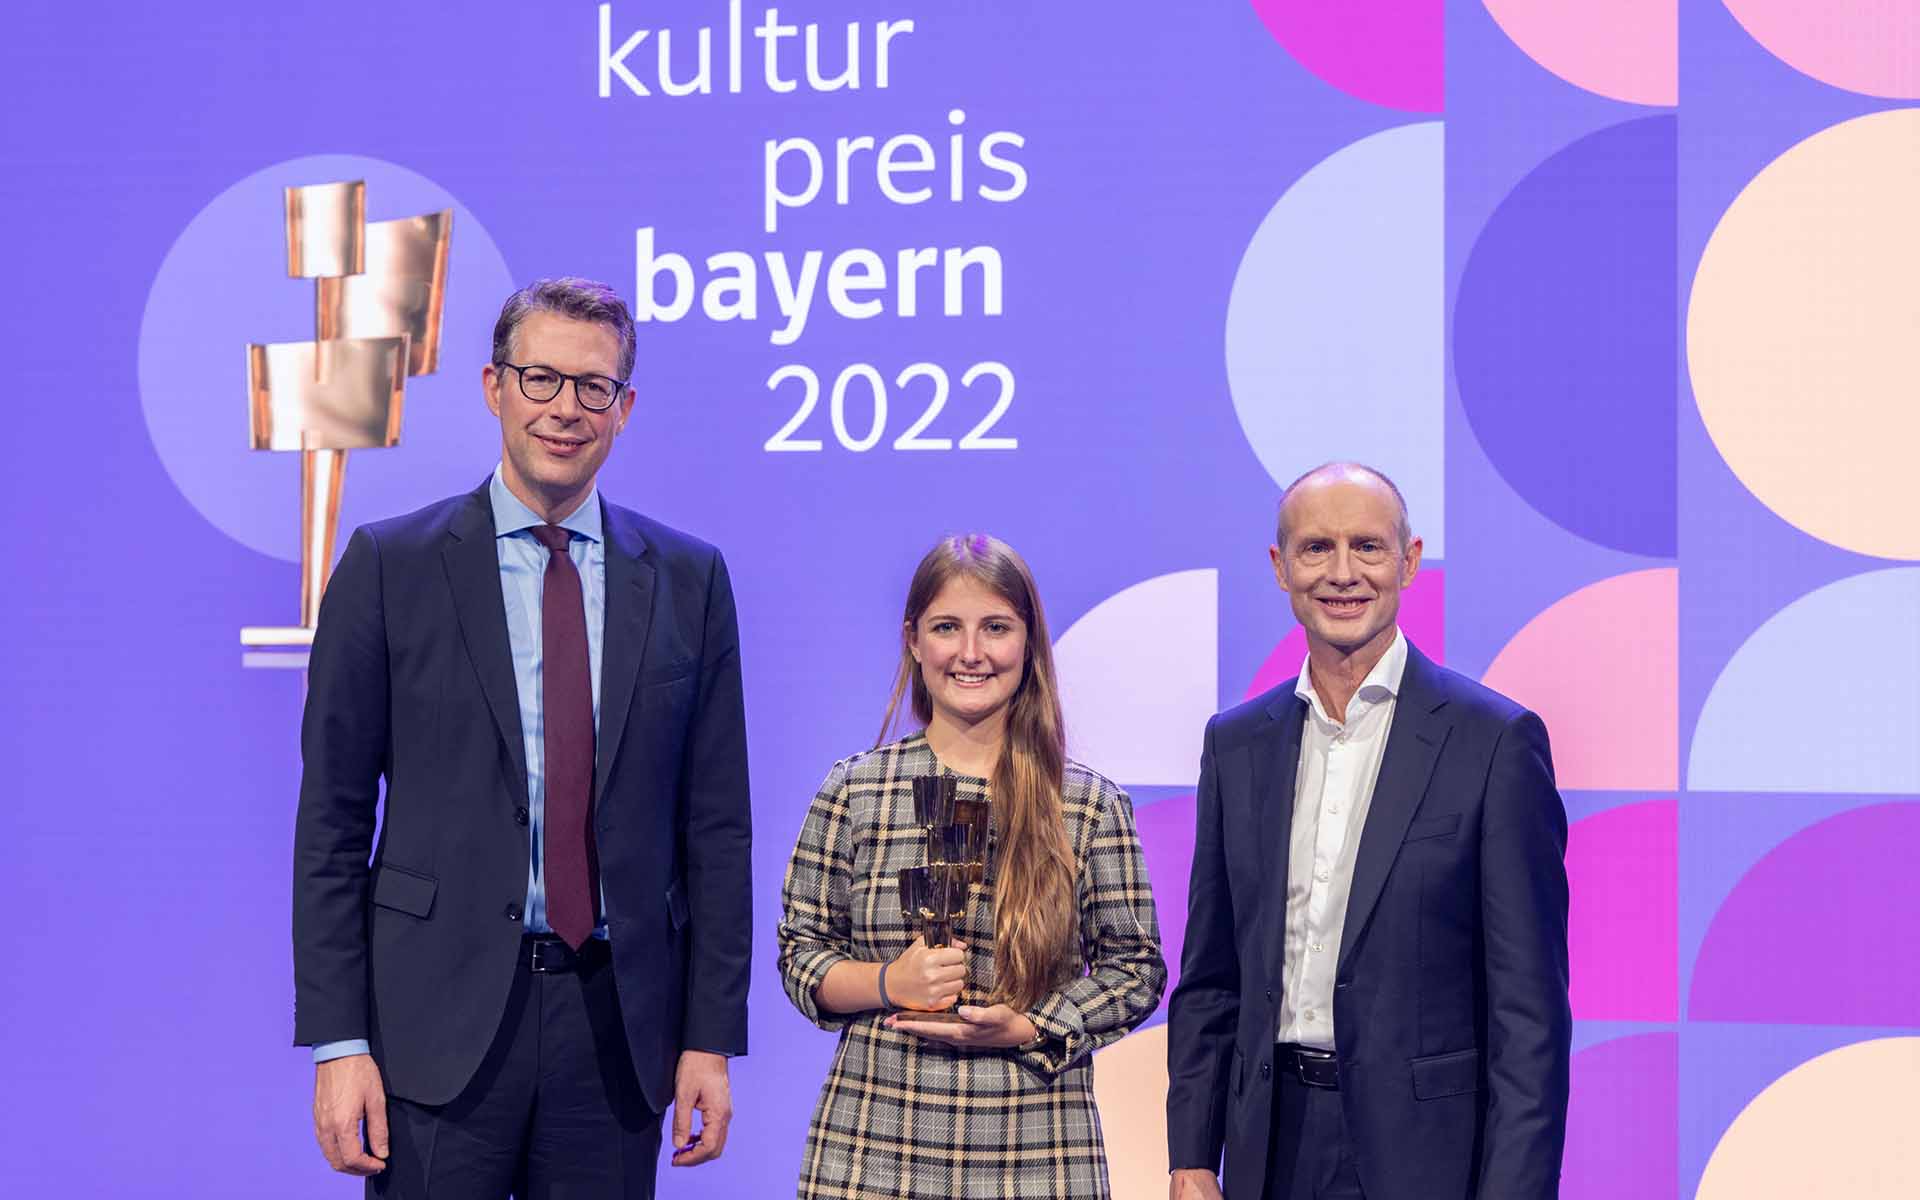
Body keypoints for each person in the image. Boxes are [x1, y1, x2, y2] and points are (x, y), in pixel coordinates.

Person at [292, 277, 752, 1199]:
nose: (565, 409)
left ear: (624, 409)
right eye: (540, 379)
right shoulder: (392, 565)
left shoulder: (690, 580)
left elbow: (716, 830)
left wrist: (709, 1037)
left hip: (616, 1033)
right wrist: (340, 1043)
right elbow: (333, 824)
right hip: (434, 1027)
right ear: (493, 386)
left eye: (593, 387)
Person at [1166, 463, 1570, 1200]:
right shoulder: (1236, 745)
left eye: (1369, 548)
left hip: (1428, 1158)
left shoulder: (1495, 741)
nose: (1342, 573)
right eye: (1317, 549)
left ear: (1409, 561)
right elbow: (1211, 977)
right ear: (1280, 567)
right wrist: (1192, 1155)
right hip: (1269, 1144)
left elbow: (1529, 1016)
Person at [777, 534, 1166, 1199]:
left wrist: (1033, 1025)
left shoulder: (1089, 804)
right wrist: (888, 981)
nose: (971, 653)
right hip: (874, 1150)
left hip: (1038, 1147)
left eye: (995, 628)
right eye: (947, 628)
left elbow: (1136, 971)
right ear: (913, 641)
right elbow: (801, 956)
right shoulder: (856, 790)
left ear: (1028, 642)